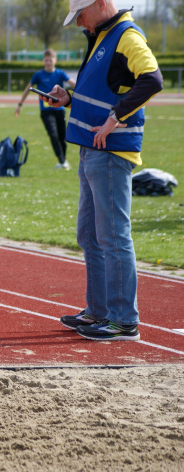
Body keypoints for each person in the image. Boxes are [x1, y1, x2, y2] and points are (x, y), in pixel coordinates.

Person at [47, 0, 163, 341]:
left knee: (113, 236)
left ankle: (124, 320)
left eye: (81, 15)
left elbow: (152, 79)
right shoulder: (102, 34)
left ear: (100, 3)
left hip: (111, 152)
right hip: (91, 148)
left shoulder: (126, 35)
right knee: (89, 234)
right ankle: (99, 311)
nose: (79, 23)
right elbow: (105, 88)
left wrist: (115, 117)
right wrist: (69, 99)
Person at [15, 49, 76, 170]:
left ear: (55, 60)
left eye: (50, 60)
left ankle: (63, 161)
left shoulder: (60, 73)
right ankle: (62, 161)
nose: (48, 62)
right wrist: (20, 104)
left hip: (59, 110)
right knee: (53, 135)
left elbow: (72, 83)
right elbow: (28, 89)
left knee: (62, 137)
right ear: (43, 61)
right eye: (46, 60)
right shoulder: (38, 75)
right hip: (46, 111)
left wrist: (84, 88)